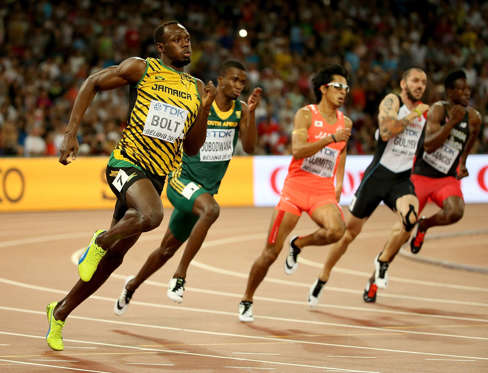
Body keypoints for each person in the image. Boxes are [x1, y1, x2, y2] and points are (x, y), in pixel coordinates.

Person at [45, 21, 217, 351]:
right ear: (161, 48)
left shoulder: (196, 88)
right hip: (126, 163)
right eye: (177, 40)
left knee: (114, 259)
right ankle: (100, 239)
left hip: (155, 175)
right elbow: (92, 82)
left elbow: (193, 147)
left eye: (189, 39)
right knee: (152, 216)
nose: (186, 44)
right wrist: (70, 134)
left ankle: (60, 312)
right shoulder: (142, 68)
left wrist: (206, 108)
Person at [113, 60, 262, 314]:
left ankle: (131, 286)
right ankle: (179, 277)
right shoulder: (202, 102)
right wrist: (203, 109)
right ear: (221, 79)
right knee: (211, 210)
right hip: (181, 181)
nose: (239, 86)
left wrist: (252, 112)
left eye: (243, 83)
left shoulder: (240, 111)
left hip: (203, 191)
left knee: (166, 249)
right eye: (234, 80)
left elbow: (249, 148)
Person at [239, 64, 353, 322]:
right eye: (338, 87)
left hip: (322, 190)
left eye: (346, 88)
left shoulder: (347, 122)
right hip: (296, 188)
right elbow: (298, 150)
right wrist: (329, 138)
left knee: (337, 231)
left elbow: (342, 149)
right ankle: (247, 298)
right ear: (323, 89)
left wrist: (339, 181)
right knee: (269, 253)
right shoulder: (306, 115)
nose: (343, 92)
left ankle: (298, 244)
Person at [308, 67, 430, 306]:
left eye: (424, 82)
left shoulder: (426, 113)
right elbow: (385, 133)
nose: (420, 85)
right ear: (404, 84)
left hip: (401, 179)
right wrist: (414, 113)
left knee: (411, 218)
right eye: (415, 81)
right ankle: (323, 277)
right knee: (347, 235)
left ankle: (382, 262)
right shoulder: (392, 101)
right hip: (377, 178)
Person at [409, 70, 481, 253]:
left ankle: (424, 225)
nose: (467, 92)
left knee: (455, 212)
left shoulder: (474, 118)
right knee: (406, 222)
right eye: (461, 89)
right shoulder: (438, 109)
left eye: (467, 89)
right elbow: (428, 146)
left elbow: (471, 139)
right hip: (422, 174)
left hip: (446, 178)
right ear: (450, 92)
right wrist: (450, 124)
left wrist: (463, 162)